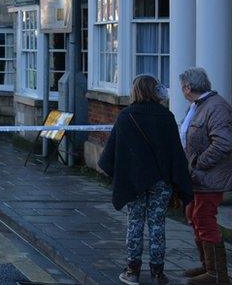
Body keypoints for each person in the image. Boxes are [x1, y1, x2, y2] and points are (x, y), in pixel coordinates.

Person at [98, 75, 193, 285]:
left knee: (135, 223)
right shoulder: (166, 117)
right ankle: (158, 274)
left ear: (135, 91)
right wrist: (180, 182)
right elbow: (175, 152)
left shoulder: (126, 116)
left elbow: (111, 153)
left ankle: (132, 271)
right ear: (155, 91)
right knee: (158, 225)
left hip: (134, 181)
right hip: (161, 182)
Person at [177, 67, 232, 283]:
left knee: (203, 217)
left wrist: (199, 162)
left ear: (188, 87)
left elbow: (224, 143)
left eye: (182, 87)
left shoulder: (216, 107)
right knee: (193, 214)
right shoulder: (199, 106)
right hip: (198, 177)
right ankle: (207, 266)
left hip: (210, 177)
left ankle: (217, 275)